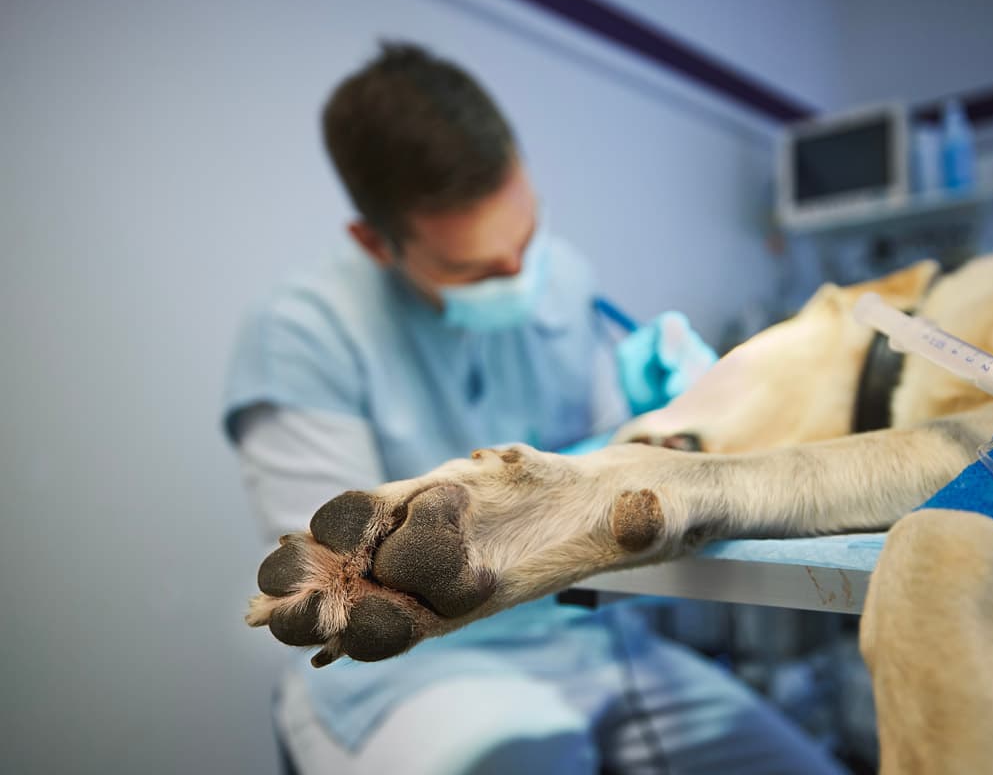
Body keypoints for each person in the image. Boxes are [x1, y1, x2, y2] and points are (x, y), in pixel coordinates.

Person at [224, 43, 846, 774]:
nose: (520, 277)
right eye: (475, 269)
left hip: (595, 644)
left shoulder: (564, 281)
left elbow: (629, 466)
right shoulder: (301, 335)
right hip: (414, 675)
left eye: (526, 239)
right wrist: (565, 483)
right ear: (374, 243)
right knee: (533, 754)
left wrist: (668, 423)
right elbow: (334, 589)